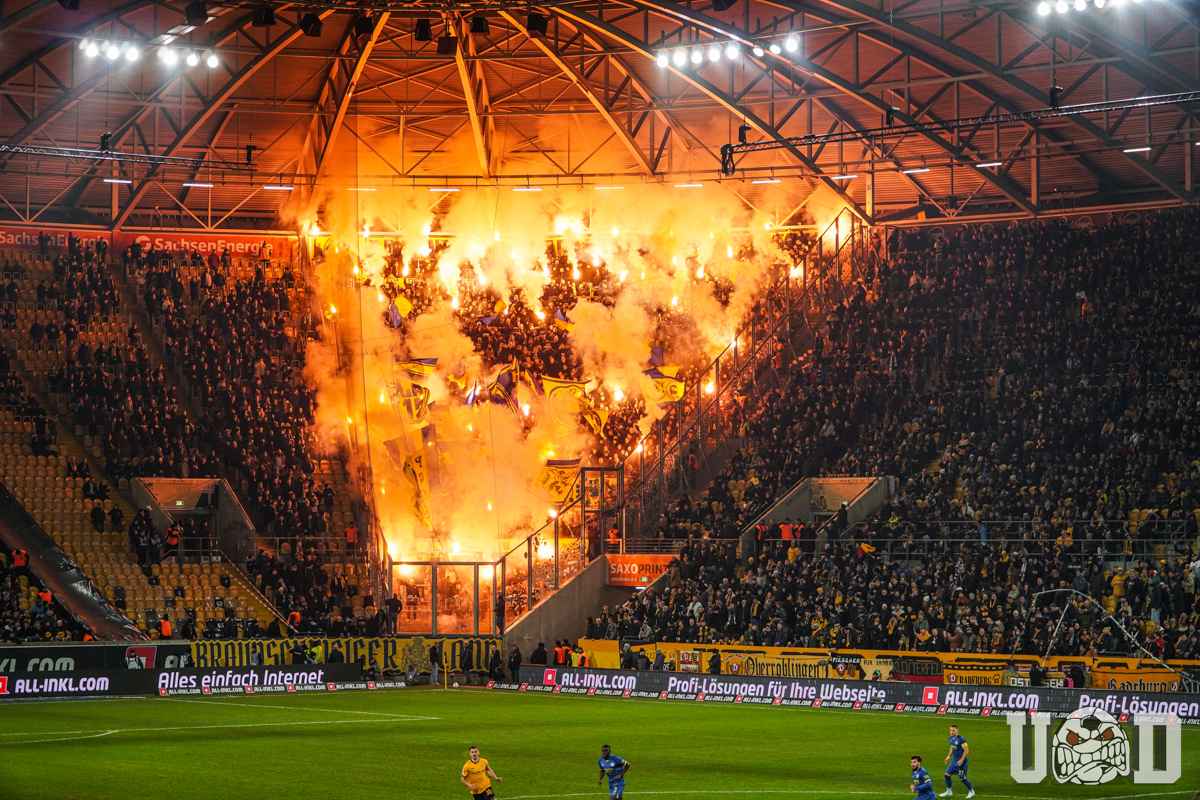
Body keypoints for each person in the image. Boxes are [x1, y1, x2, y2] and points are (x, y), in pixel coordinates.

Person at [941, 725, 974, 798]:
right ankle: (949, 791)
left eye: (953, 730)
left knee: (962, 779)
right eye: (951, 730)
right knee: (947, 775)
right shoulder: (950, 738)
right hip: (954, 762)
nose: (952, 732)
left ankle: (971, 791)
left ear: (957, 730)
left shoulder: (961, 739)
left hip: (961, 763)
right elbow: (952, 748)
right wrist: (948, 757)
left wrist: (961, 760)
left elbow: (966, 750)